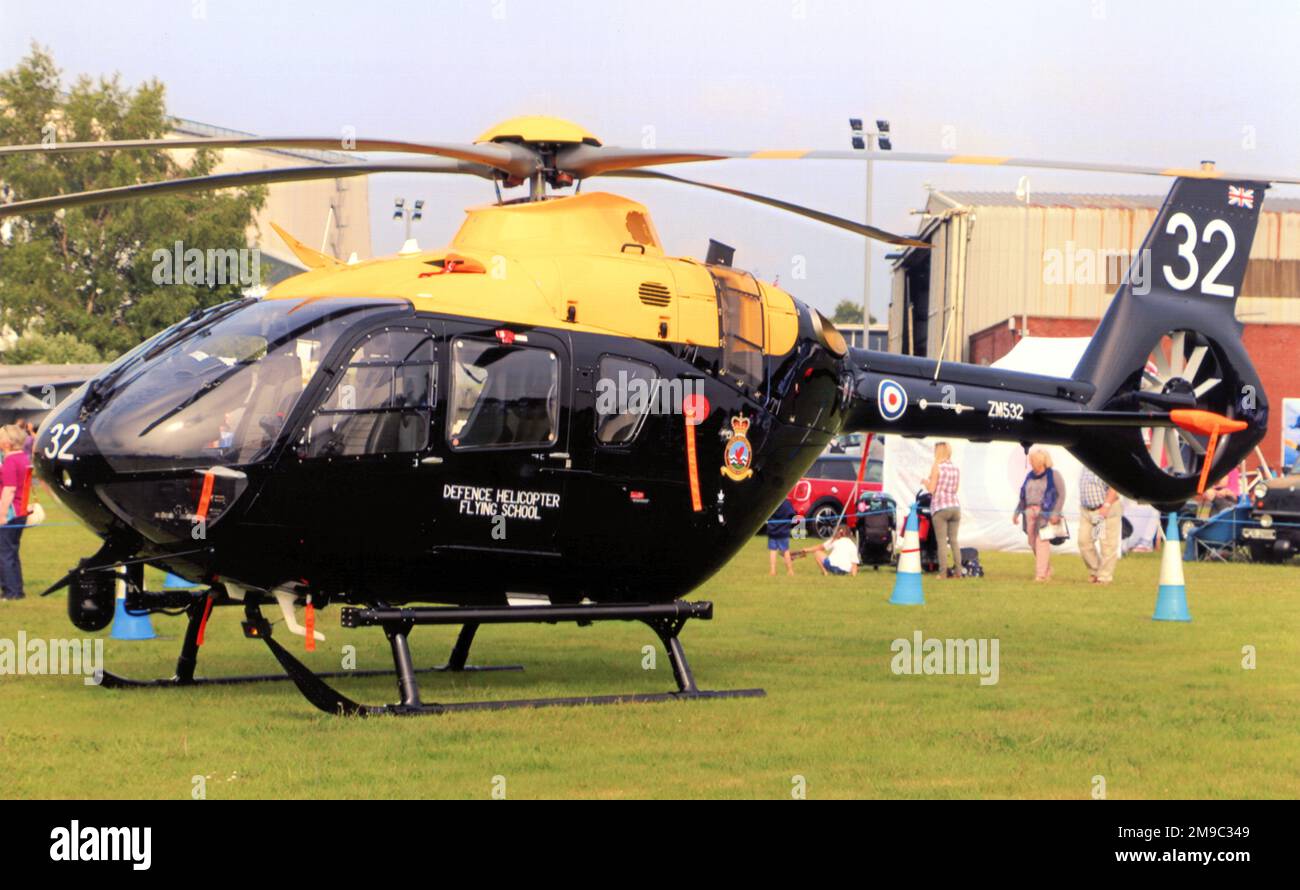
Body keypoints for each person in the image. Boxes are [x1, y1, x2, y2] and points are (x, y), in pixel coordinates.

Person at [1013, 447, 1067, 582]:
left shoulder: (1054, 475)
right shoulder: (1029, 476)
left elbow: (1061, 495)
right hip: (1029, 512)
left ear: (1041, 462)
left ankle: (1041, 575)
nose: (1031, 464)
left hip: (1046, 513)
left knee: (1042, 541)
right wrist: (1017, 512)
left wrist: (1056, 513)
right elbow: (1023, 496)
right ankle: (1046, 569)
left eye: (1033, 461)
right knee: (1032, 542)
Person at [0, 424, 34, 601]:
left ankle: (12, 592)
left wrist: (2, 514)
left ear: (6, 442)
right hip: (20, 510)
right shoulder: (23, 457)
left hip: (11, 512)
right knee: (11, 552)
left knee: (4, 553)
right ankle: (15, 589)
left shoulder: (10, 461)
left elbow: (9, 489)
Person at [923, 441, 963, 579]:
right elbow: (955, 489)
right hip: (955, 507)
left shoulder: (937, 467)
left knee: (941, 542)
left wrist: (925, 482)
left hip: (940, 507)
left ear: (938, 452)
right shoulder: (955, 468)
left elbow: (931, 490)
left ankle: (943, 573)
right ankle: (959, 572)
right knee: (954, 541)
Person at [1078, 466, 1122, 584]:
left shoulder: (1105, 465)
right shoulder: (1086, 465)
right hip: (1088, 511)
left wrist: (1106, 506)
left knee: (1107, 544)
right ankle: (1095, 571)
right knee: (1084, 541)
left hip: (1103, 510)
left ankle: (1104, 577)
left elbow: (1115, 486)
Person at [766, 497, 798, 576]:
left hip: (772, 530)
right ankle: (790, 571)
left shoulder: (771, 501)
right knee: (786, 551)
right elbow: (792, 514)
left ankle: (772, 570)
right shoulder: (786, 503)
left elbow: (767, 514)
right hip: (783, 531)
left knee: (773, 551)